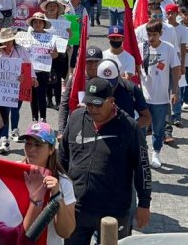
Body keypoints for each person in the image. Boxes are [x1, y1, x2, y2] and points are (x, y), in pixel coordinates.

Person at [59, 78, 152, 243]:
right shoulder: (76, 118)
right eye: (89, 105)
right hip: (77, 207)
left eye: (98, 105)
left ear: (111, 101)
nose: (93, 109)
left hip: (113, 212)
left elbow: (142, 167)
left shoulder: (129, 127)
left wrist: (144, 203)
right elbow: (62, 157)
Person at [18, 122, 76, 244]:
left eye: (38, 145)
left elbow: (66, 232)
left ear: (50, 150)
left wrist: (57, 197)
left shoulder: (63, 183)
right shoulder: (13, 171)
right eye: (28, 143)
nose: (31, 149)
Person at [139, 20, 181, 169]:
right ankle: (141, 153)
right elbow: (135, 69)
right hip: (143, 97)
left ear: (161, 34)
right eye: (149, 35)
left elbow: (176, 69)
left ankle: (156, 152)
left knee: (159, 127)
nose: (151, 38)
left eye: (154, 35)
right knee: (141, 127)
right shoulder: (141, 48)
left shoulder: (168, 49)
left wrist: (175, 90)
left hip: (161, 98)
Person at [0, 28, 35, 144]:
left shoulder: (21, 50)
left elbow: (29, 64)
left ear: (13, 41)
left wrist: (33, 77)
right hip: (3, 87)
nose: (6, 44)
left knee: (15, 109)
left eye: (9, 41)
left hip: (20, 85)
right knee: (5, 110)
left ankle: (14, 130)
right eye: (4, 42)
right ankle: (4, 137)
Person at [58, 46, 103, 134]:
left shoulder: (105, 80)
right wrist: (61, 131)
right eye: (89, 62)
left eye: (96, 62)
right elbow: (64, 104)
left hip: (99, 126)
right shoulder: (75, 79)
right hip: (77, 124)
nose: (93, 66)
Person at [26, 12, 59, 123]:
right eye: (35, 22)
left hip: (43, 70)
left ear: (44, 24)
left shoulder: (50, 38)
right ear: (32, 24)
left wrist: (54, 54)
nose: (37, 24)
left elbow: (55, 54)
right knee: (33, 96)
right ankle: (34, 118)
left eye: (40, 22)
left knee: (42, 95)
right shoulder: (27, 37)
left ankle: (43, 118)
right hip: (30, 71)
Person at [40, 0, 69, 111]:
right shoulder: (40, 19)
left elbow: (70, 37)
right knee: (46, 77)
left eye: (54, 6)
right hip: (44, 53)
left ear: (58, 9)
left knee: (57, 78)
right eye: (49, 6)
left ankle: (58, 102)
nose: (52, 8)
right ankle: (48, 100)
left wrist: (71, 34)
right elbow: (31, 34)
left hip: (59, 54)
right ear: (46, 8)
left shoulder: (64, 21)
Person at [165, 3, 188, 127]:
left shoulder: (182, 29)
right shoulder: (162, 27)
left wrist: (182, 65)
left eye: (172, 13)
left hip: (176, 61)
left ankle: (176, 115)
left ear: (176, 14)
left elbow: (183, 47)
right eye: (168, 13)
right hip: (163, 61)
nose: (169, 16)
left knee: (176, 88)